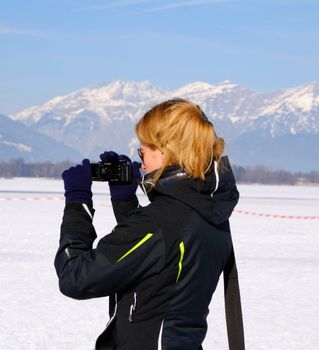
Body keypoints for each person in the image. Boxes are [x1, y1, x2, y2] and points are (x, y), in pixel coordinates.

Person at [55, 98, 245, 350]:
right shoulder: (210, 212)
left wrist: (77, 203)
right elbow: (159, 267)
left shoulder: (160, 222)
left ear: (164, 152)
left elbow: (76, 278)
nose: (141, 163)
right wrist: (125, 203)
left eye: (142, 152)